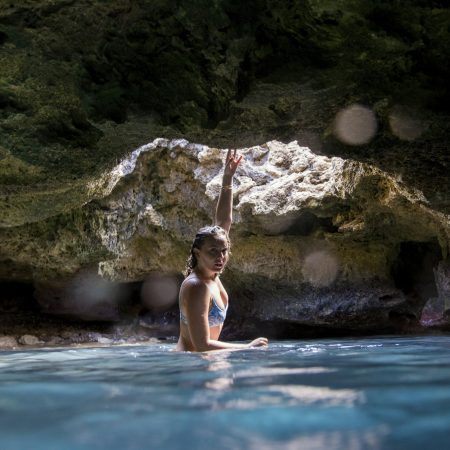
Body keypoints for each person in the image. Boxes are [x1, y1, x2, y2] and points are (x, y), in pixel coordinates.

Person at [176, 149, 269, 352]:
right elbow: (202, 345)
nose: (220, 257)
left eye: (224, 251)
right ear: (197, 253)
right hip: (190, 368)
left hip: (206, 365)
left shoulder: (211, 274)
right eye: (213, 251)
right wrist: (247, 348)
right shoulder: (196, 286)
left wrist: (228, 179)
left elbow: (223, 222)